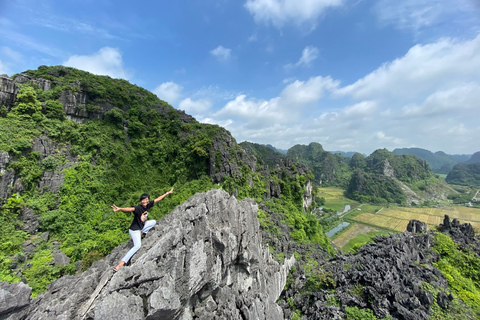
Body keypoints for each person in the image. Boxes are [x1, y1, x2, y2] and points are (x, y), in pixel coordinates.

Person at [111, 187, 174, 272]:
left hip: (141, 227)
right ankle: (121, 264)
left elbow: (157, 199)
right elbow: (130, 209)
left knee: (153, 222)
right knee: (137, 246)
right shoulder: (138, 208)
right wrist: (119, 209)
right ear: (141, 201)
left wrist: (167, 193)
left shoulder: (148, 205)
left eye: (147, 200)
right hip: (134, 230)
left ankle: (143, 233)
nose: (145, 201)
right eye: (143, 200)